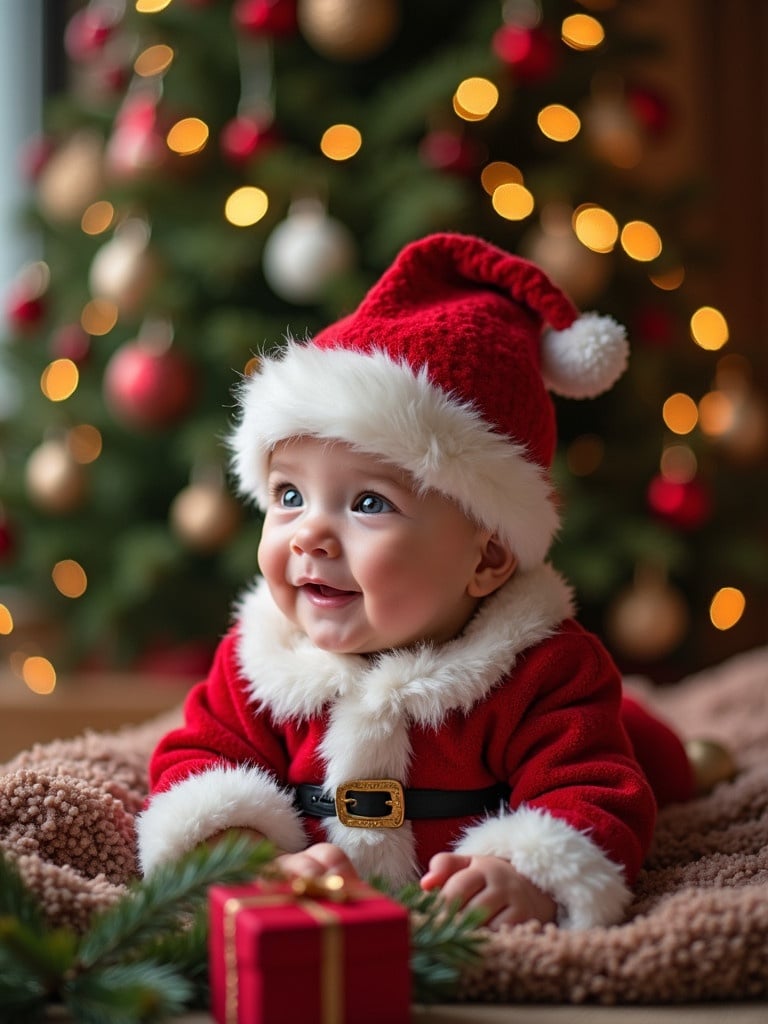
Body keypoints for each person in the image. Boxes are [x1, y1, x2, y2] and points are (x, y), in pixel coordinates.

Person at [136, 232, 701, 930]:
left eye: (369, 503)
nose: (308, 533)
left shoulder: (542, 670)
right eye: (288, 496)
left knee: (650, 761)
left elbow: (591, 791)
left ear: (488, 559)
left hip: (481, 856)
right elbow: (198, 763)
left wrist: (526, 873)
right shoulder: (260, 666)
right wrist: (250, 854)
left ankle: (676, 747)